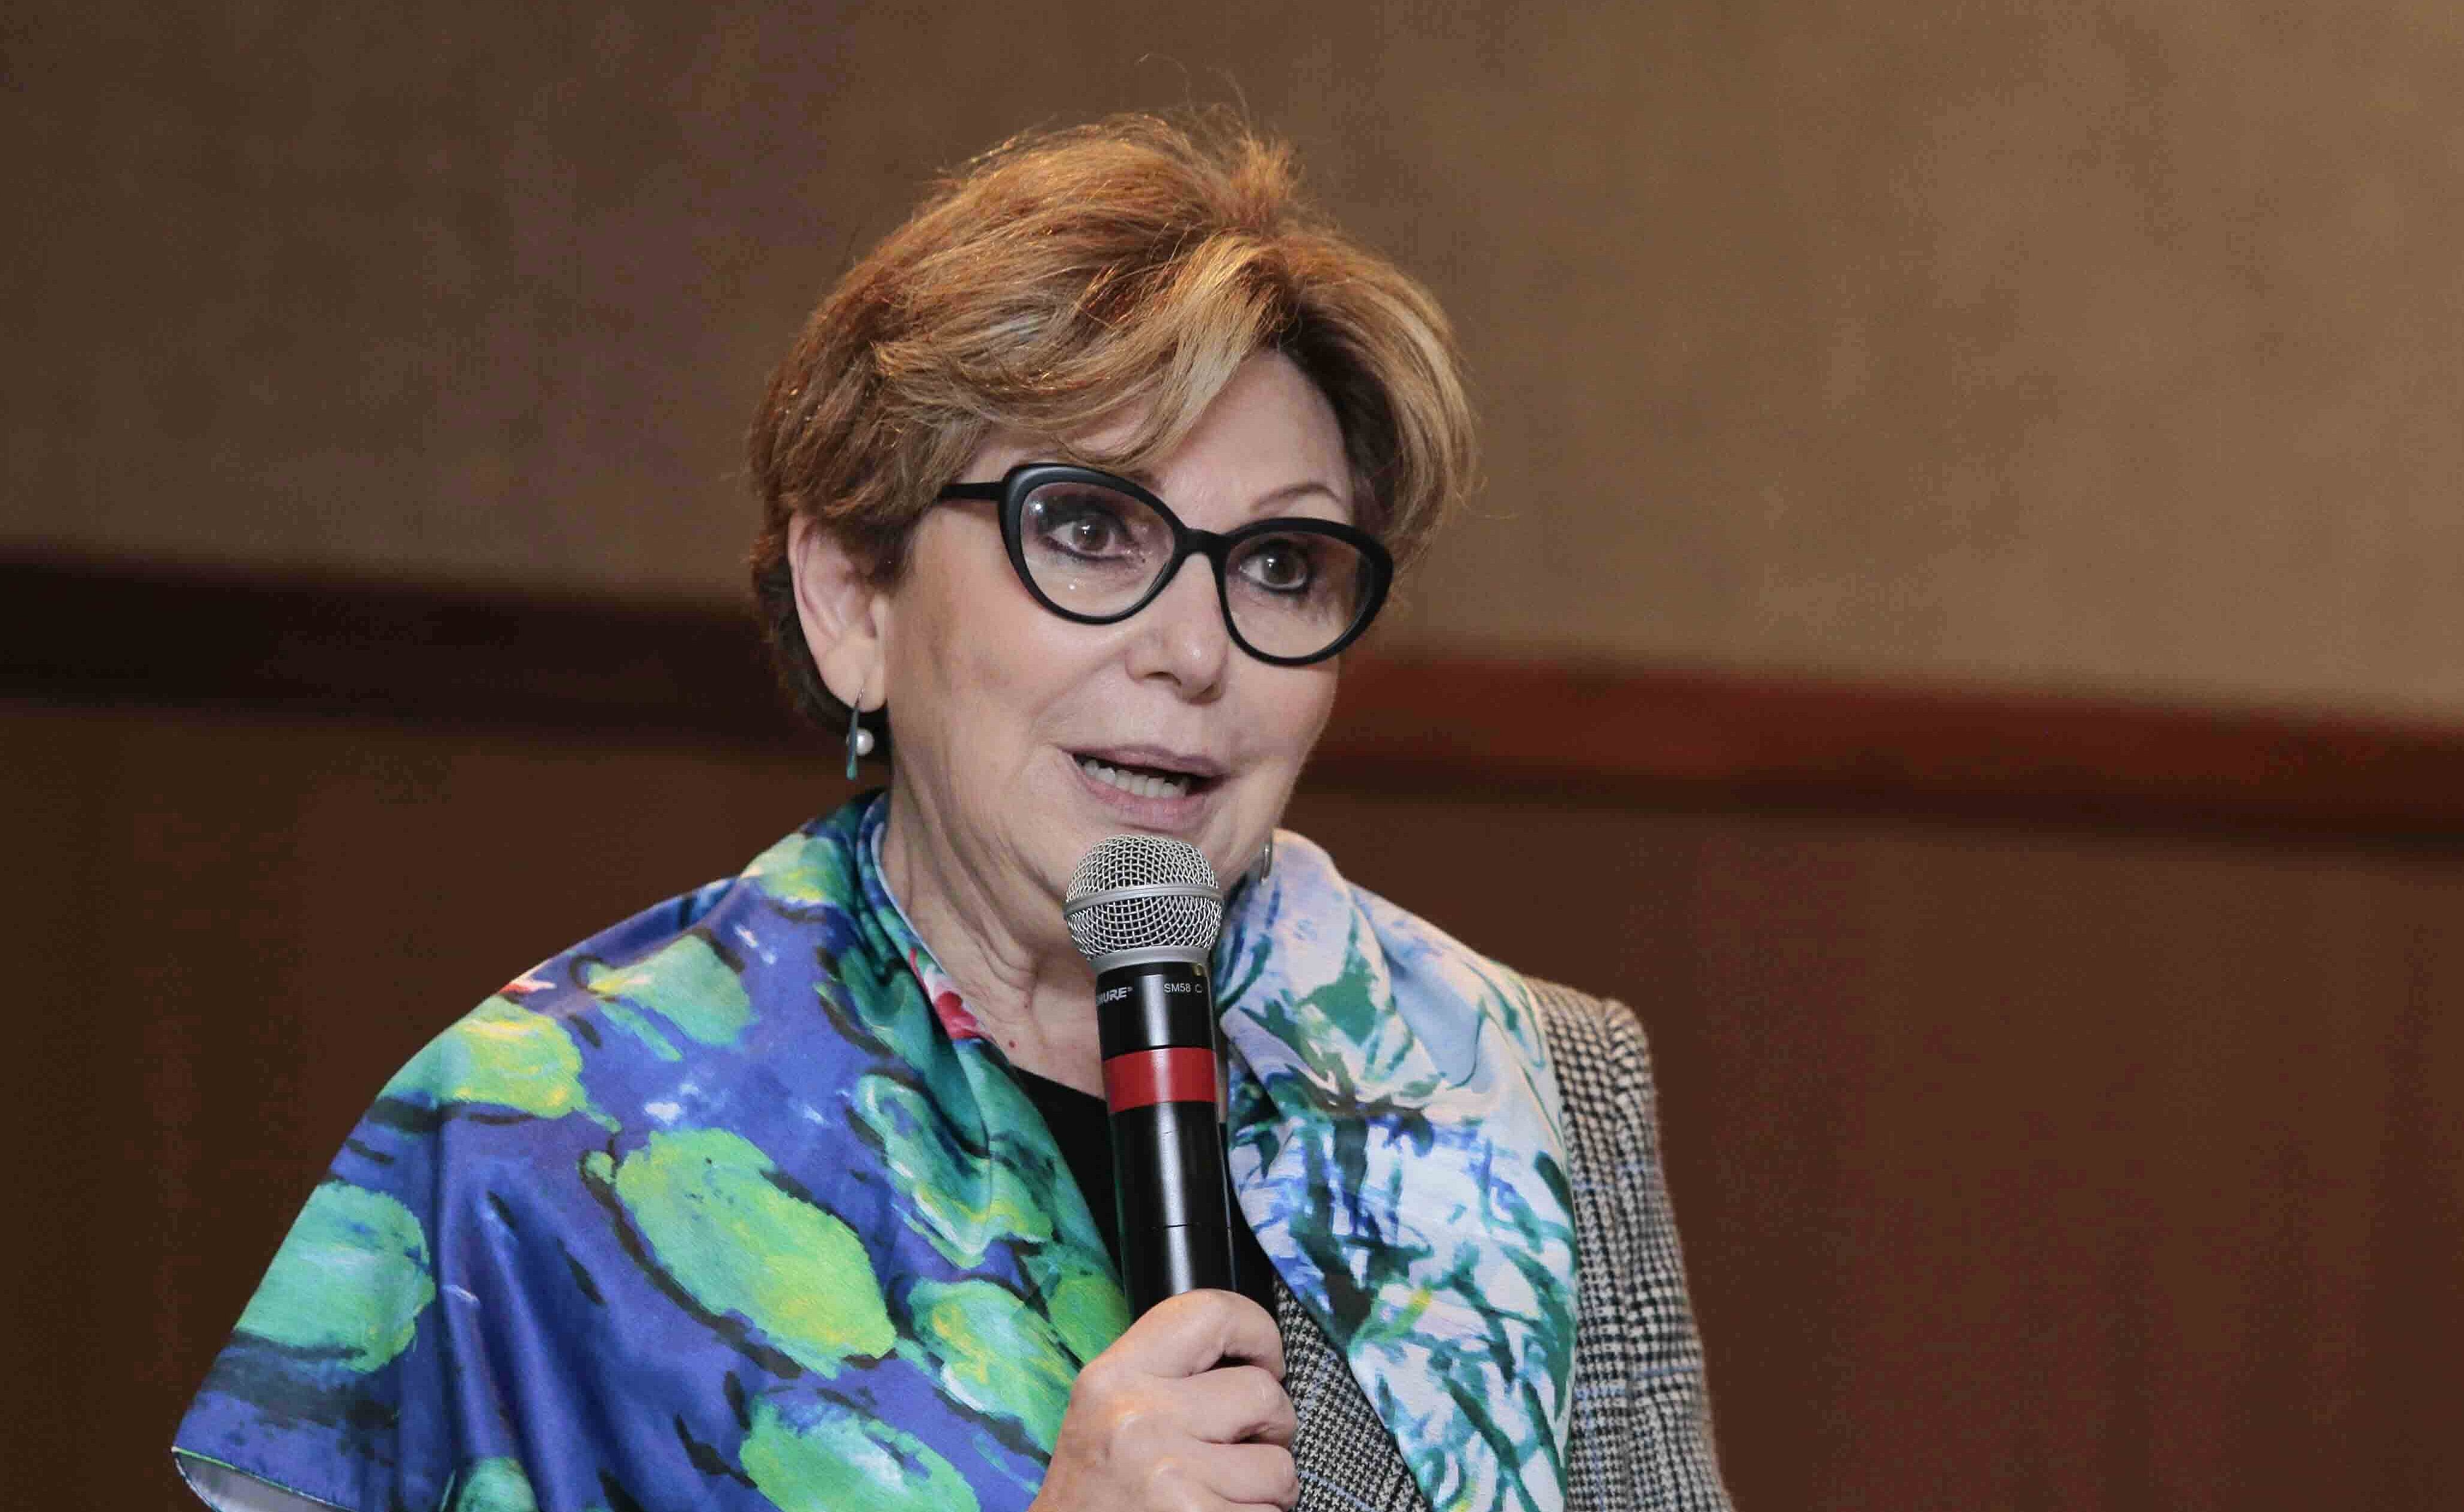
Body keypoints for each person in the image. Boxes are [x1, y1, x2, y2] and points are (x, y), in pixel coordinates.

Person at [171, 112, 1728, 1512]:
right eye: (1092, 528)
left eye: (1279, 565)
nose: (1195, 651)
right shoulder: (540, 1144)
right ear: (854, 597)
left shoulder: (1526, 1092)